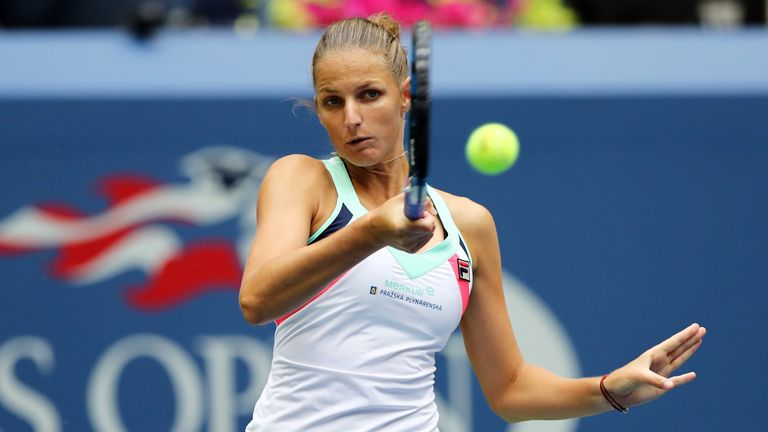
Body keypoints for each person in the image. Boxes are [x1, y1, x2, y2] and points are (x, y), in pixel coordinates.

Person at [239, 12, 706, 431]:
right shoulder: (302, 179)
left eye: (369, 95)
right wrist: (371, 231)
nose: (352, 119)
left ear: (406, 98)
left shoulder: (470, 223)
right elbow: (258, 299)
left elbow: (510, 389)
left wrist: (607, 390)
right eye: (332, 102)